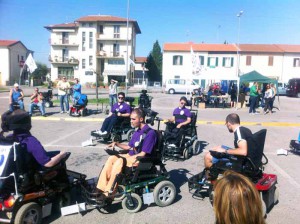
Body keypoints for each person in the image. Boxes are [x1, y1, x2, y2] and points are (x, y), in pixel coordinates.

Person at [96, 108, 157, 197]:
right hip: (131, 155)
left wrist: (124, 158)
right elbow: (129, 147)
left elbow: (143, 154)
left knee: (119, 161)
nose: (131, 121)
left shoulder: (150, 133)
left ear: (141, 119)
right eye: (130, 119)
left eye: (133, 119)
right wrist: (116, 143)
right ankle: (100, 188)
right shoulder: (138, 131)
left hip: (141, 159)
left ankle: (108, 192)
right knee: (112, 158)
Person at [1, 109, 67, 168]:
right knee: (61, 154)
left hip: (17, 170)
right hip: (31, 172)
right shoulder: (30, 141)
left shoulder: (8, 138)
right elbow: (48, 164)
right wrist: (61, 155)